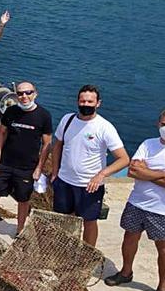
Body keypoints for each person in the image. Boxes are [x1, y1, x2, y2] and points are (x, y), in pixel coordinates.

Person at [104, 108, 165, 291]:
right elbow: (133, 171)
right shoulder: (148, 144)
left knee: (163, 248)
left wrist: (148, 173)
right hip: (137, 203)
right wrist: (163, 174)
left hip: (164, 210)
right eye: (164, 124)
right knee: (129, 237)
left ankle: (162, 287)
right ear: (158, 124)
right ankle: (126, 272)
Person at [0, 82, 52, 240]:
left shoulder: (44, 115)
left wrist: (38, 169)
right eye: (20, 93)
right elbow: (1, 133)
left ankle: (20, 230)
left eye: (28, 93)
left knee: (23, 200)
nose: (24, 96)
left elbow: (47, 144)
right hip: (6, 164)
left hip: (27, 168)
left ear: (35, 93)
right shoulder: (10, 111)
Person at [50, 84, 130, 246]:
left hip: (89, 186)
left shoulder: (104, 127)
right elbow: (57, 145)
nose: (85, 104)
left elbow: (123, 159)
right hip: (64, 181)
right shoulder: (67, 120)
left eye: (90, 102)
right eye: (83, 101)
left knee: (89, 222)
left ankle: (88, 253)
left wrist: (101, 175)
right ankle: (64, 250)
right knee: (64, 219)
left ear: (98, 103)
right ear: (77, 101)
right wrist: (54, 172)